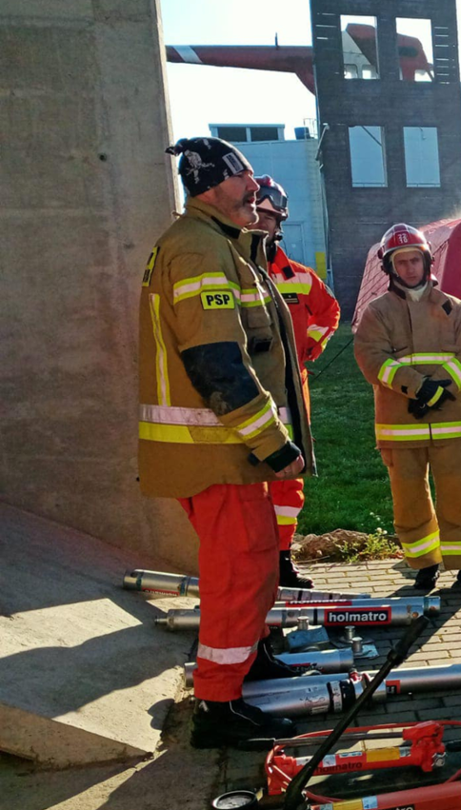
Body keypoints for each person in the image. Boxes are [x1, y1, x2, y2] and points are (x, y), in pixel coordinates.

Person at [139, 137, 307, 748]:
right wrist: (273, 443)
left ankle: (249, 662)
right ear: (211, 185)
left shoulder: (218, 243)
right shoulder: (200, 249)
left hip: (226, 449)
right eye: (245, 178)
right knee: (238, 572)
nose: (255, 189)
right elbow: (217, 363)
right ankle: (218, 704)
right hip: (215, 449)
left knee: (254, 562)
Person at [353, 224, 461, 592]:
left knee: (459, 494)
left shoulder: (453, 307)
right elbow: (372, 359)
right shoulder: (377, 312)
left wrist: (440, 389)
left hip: (449, 424)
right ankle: (424, 564)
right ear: (390, 268)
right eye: (401, 262)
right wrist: (419, 387)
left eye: (414, 260)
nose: (409, 268)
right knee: (410, 501)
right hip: (401, 427)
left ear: (427, 261)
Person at [253, 175, 339, 589]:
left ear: (280, 223)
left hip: (289, 389)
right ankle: (251, 560)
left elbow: (329, 311)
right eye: (254, 214)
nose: (259, 223)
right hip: (242, 389)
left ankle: (282, 558)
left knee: (288, 475)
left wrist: (309, 347)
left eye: (268, 217)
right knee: (244, 478)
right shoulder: (225, 269)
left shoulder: (299, 277)